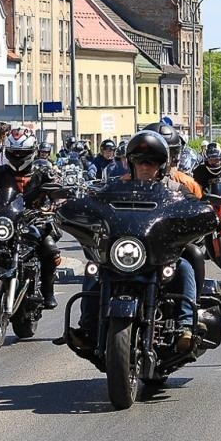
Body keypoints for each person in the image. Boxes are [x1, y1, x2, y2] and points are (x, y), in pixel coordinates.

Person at [66, 130, 200, 354]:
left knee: (185, 266)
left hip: (159, 255)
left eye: (151, 162)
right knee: (93, 268)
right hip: (123, 252)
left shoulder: (176, 190)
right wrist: (76, 211)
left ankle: (185, 327)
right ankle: (87, 328)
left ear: (161, 164)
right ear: (131, 163)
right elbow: (93, 205)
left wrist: (197, 217)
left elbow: (195, 209)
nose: (145, 166)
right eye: (140, 161)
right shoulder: (115, 187)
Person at [0, 128, 61, 308]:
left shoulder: (42, 172)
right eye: (13, 152)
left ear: (32, 151)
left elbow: (56, 192)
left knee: (49, 248)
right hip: (5, 222)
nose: (17, 156)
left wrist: (56, 202)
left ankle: (48, 291)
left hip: (34, 221)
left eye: (22, 152)